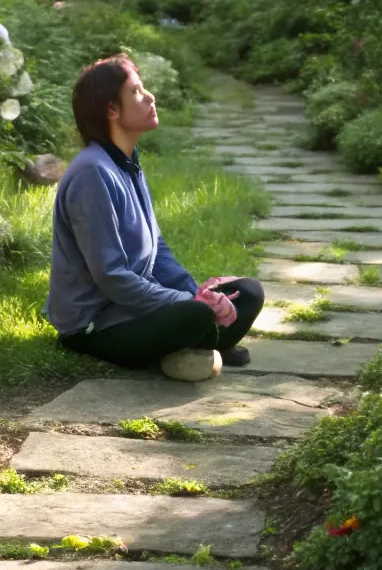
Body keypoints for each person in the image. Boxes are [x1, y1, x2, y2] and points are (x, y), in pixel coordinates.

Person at [45, 54, 264, 381]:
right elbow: (112, 276)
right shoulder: (93, 174)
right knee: (195, 315)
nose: (149, 97)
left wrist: (198, 293)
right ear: (111, 110)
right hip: (96, 324)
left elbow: (157, 249)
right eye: (136, 91)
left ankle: (197, 337)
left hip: (134, 307)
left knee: (249, 291)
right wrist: (192, 304)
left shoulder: (126, 160)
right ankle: (200, 337)